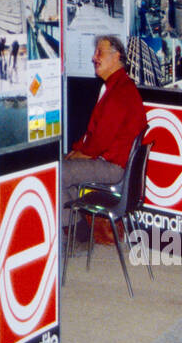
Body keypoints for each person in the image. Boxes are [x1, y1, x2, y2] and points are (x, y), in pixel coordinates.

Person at [62, 35, 147, 213]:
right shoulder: (118, 87)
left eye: (99, 52)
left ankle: (72, 227)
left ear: (116, 57)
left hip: (112, 167)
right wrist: (77, 150)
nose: (94, 57)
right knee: (66, 166)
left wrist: (78, 154)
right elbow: (93, 135)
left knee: (58, 173)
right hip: (112, 162)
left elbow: (99, 143)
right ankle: (77, 224)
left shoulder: (119, 93)